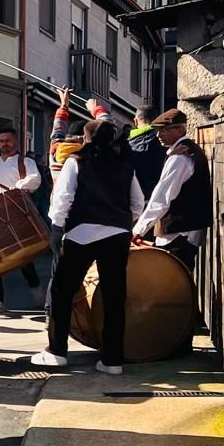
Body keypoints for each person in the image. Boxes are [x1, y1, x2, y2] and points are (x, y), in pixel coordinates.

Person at [32, 119, 145, 374]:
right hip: (117, 235)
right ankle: (112, 360)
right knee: (114, 297)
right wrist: (122, 221)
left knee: (62, 291)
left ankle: (57, 351)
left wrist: (57, 229)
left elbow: (63, 198)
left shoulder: (76, 161)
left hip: (81, 233)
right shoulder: (124, 166)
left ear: (85, 138)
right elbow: (138, 203)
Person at [133, 108, 211, 271]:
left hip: (178, 234)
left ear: (181, 130)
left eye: (164, 130)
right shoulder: (190, 151)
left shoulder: (180, 157)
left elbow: (162, 198)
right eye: (158, 130)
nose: (159, 135)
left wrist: (139, 230)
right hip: (187, 230)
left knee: (170, 280)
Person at [0, 126, 44, 314]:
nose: (4, 144)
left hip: (18, 213)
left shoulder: (26, 162)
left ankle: (38, 293)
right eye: (1, 141)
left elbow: (35, 180)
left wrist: (18, 186)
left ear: (15, 141)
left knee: (23, 256)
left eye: (7, 140)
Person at [124, 106, 167, 197]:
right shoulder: (164, 140)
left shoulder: (126, 143)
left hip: (133, 193)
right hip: (157, 193)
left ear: (135, 121)